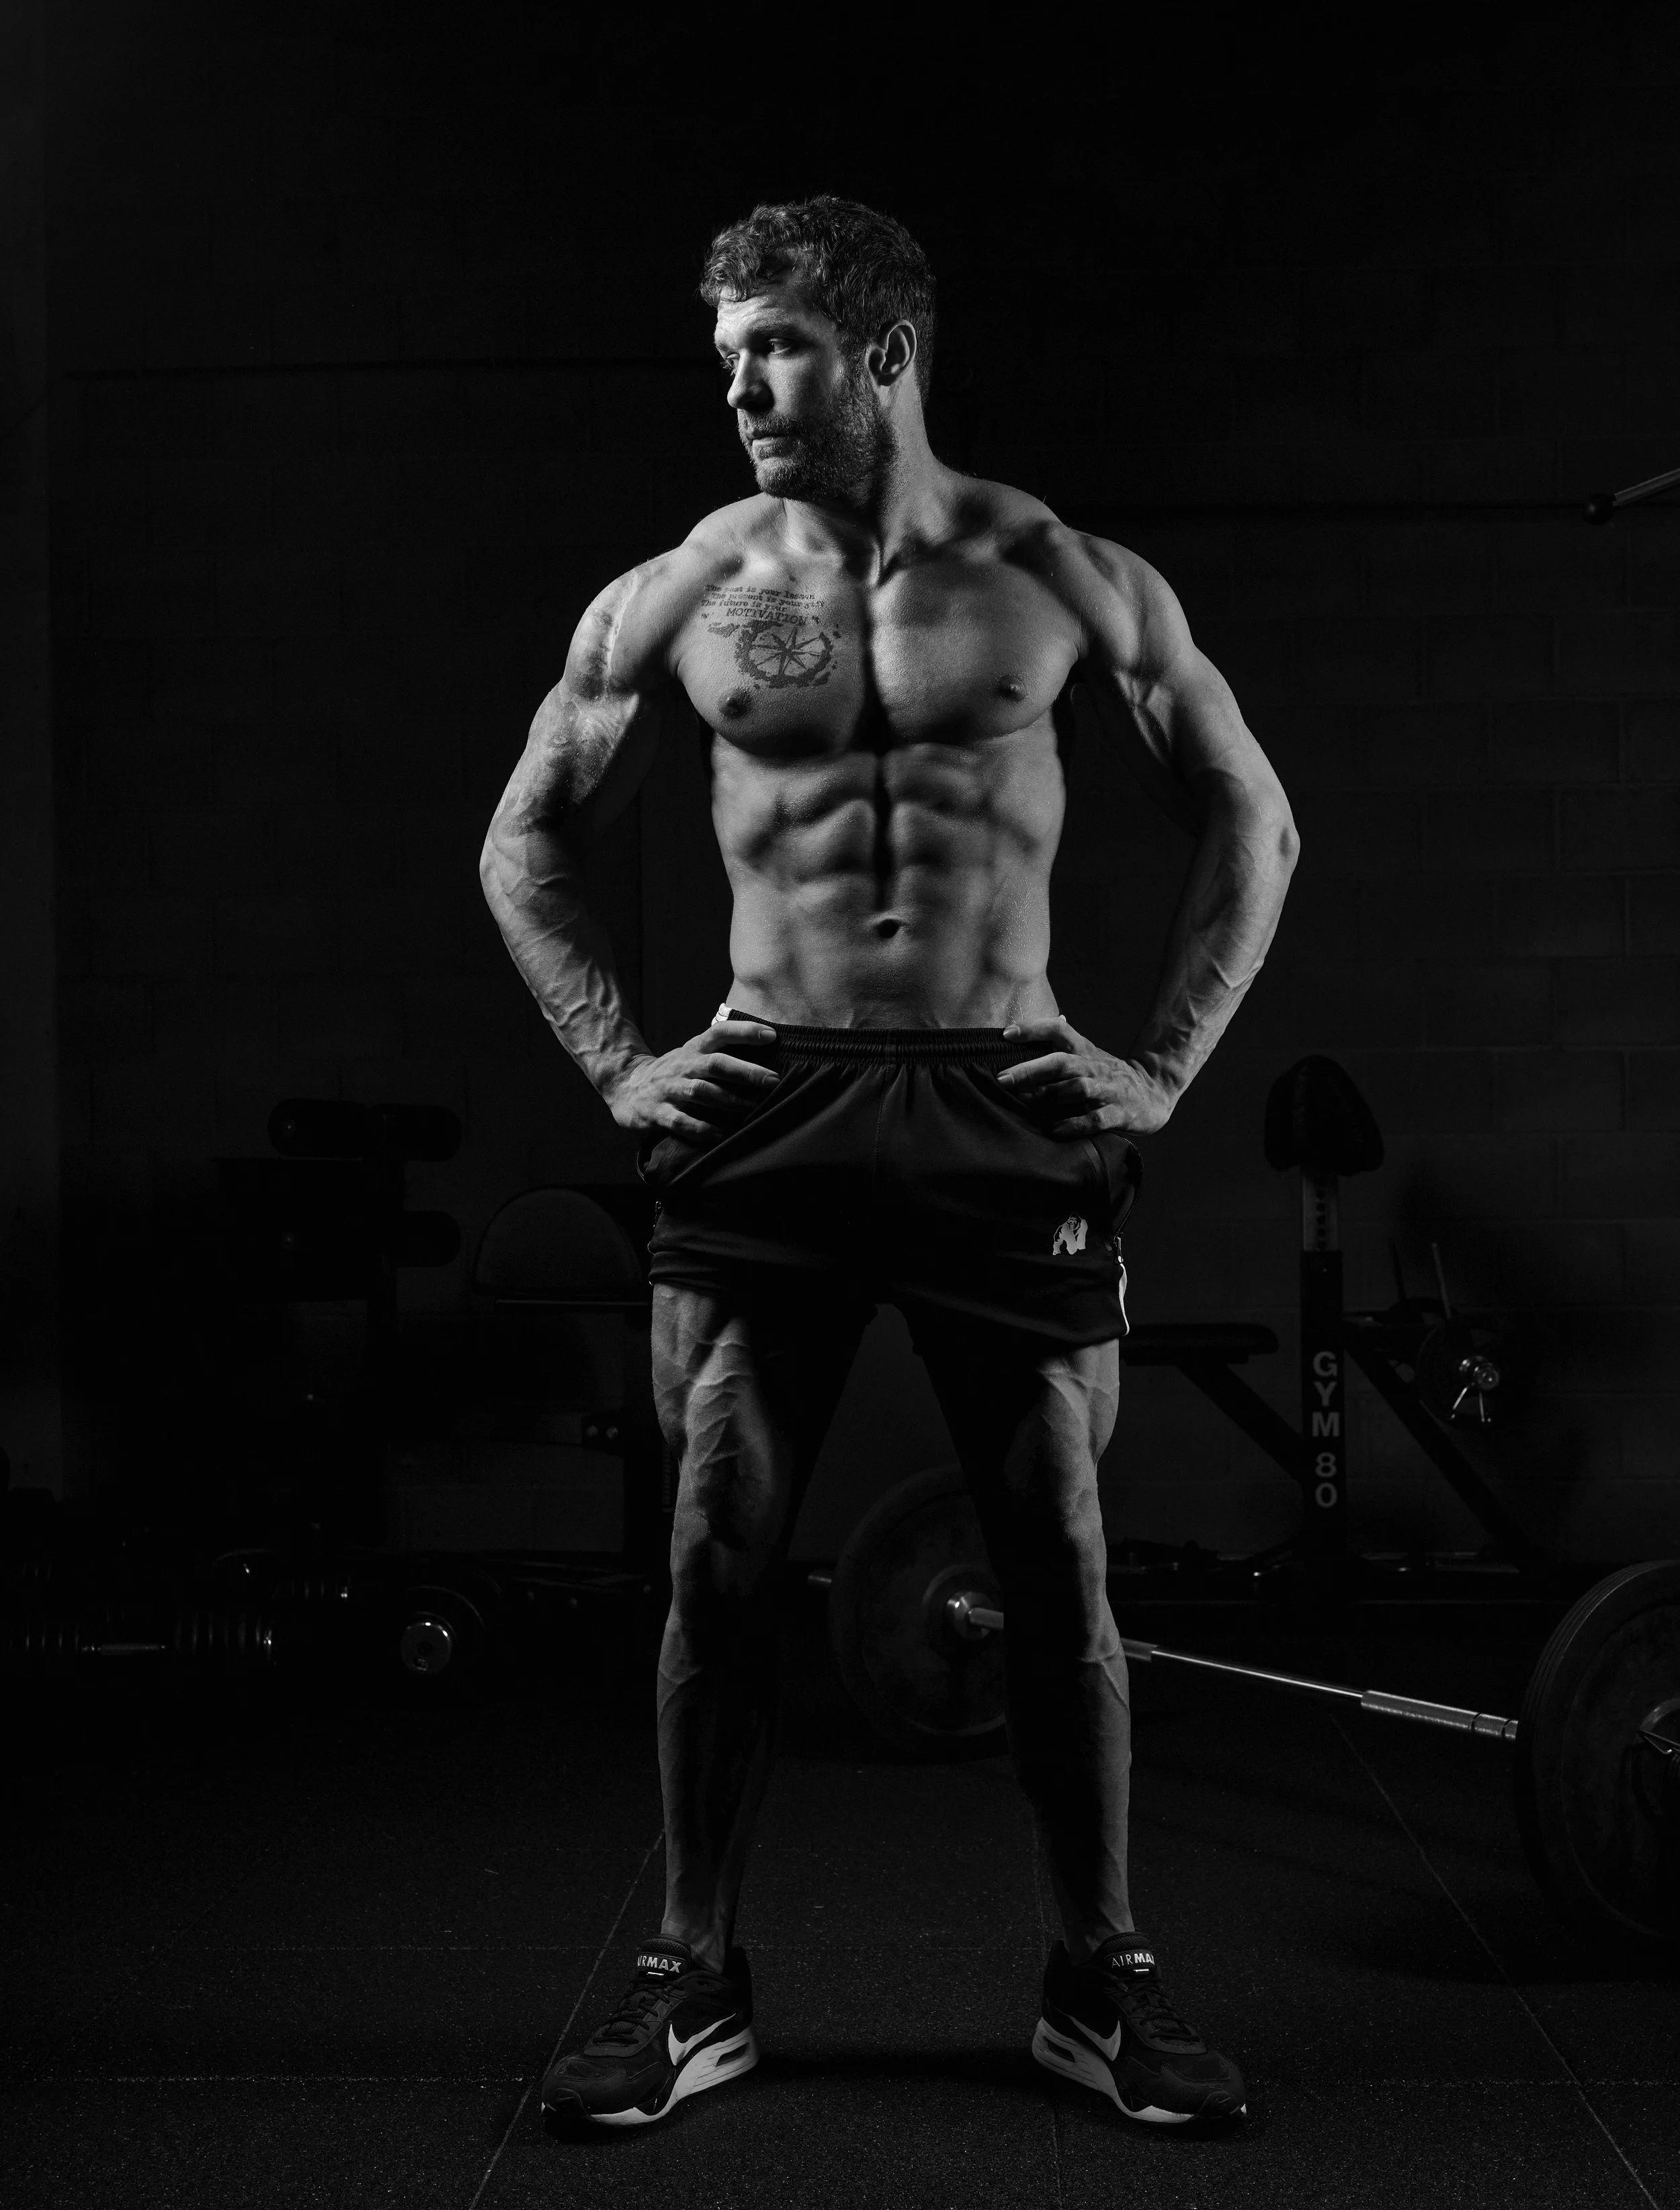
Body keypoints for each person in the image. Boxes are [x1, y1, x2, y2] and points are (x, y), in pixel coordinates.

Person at [480, 195, 1298, 2131]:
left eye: (774, 348)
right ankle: (693, 1979)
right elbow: (522, 844)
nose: (743, 390)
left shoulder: (1058, 573)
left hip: (997, 1105)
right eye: (728, 358)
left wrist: (1156, 1069)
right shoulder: (676, 590)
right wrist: (619, 1066)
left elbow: (1252, 826)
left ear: (884, 355)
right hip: (763, 1115)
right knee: (711, 1548)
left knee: (1059, 1554)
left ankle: (1100, 1983)